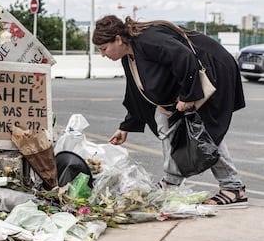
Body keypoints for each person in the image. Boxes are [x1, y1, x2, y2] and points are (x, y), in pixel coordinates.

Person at [92, 15, 247, 208]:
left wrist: (188, 96)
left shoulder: (148, 40)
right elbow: (138, 92)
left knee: (205, 134)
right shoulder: (129, 56)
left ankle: (233, 188)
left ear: (117, 39)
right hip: (191, 81)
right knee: (163, 119)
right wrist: (126, 127)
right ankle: (171, 182)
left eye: (103, 49)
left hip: (213, 71)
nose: (103, 55)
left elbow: (184, 56)